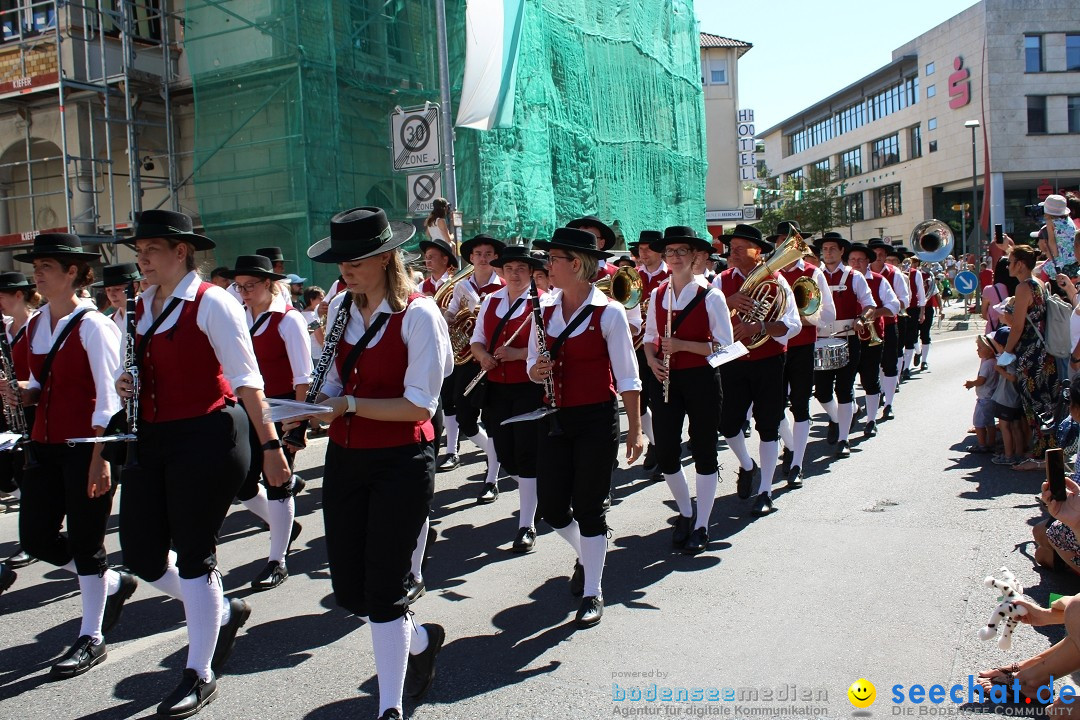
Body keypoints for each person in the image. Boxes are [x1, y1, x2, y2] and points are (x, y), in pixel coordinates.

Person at [115, 210, 291, 717]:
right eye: (139, 250)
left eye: (151, 249)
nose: (142, 259)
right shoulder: (140, 306)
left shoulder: (213, 303)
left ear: (180, 252)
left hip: (208, 435)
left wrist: (272, 447)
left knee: (195, 555)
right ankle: (220, 610)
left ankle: (200, 671)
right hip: (152, 436)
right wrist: (129, 384)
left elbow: (247, 379)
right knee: (143, 555)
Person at [300, 206, 451, 720]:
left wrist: (349, 406)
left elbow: (419, 406)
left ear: (387, 257)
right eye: (340, 259)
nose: (345, 268)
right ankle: (420, 641)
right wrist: (316, 404)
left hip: (400, 460)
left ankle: (390, 706)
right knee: (352, 590)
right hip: (346, 458)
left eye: (357, 259)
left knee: (384, 589)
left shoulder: (420, 314)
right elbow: (337, 383)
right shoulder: (339, 306)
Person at [7, 234, 136, 678]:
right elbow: (40, 383)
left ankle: (92, 635)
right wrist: (23, 391)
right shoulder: (38, 322)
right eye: (37, 265)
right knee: (36, 538)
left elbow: (109, 398)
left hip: (88, 448)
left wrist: (102, 457)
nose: (37, 272)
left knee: (86, 544)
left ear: (73, 274)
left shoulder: (94, 326)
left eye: (47, 265)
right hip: (44, 446)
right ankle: (110, 583)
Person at [528, 226, 643, 628]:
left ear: (575, 265)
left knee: (591, 507)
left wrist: (636, 430)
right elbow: (531, 366)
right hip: (554, 417)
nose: (547, 266)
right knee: (554, 509)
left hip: (596, 417)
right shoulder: (542, 309)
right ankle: (589, 553)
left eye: (553, 259)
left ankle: (593, 590)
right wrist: (535, 369)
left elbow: (628, 376)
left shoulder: (609, 311)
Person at [641, 227, 732, 553]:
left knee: (705, 451)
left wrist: (684, 345)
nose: (675, 257)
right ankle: (686, 511)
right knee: (666, 452)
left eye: (682, 251)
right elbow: (650, 338)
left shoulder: (711, 295)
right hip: (665, 379)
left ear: (695, 256)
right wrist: (652, 361)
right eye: (671, 252)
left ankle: (703, 525)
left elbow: (727, 348)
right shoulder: (657, 294)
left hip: (702, 380)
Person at [224, 255, 312, 590]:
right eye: (239, 286)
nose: (243, 292)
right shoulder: (240, 318)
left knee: (278, 483)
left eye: (250, 286)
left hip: (281, 409)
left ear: (267, 284)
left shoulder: (288, 321)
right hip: (247, 410)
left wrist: (299, 421)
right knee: (243, 483)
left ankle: (278, 560)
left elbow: (303, 376)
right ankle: (284, 525)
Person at [714, 224, 800, 515]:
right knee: (727, 424)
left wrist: (759, 325)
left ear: (758, 251)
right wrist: (727, 302)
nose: (732, 251)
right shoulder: (721, 280)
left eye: (739, 247)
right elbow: (707, 322)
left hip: (768, 361)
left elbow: (793, 325)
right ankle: (747, 466)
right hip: (732, 361)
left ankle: (765, 491)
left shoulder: (778, 282)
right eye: (731, 247)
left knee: (768, 427)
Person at [470, 245, 546, 548]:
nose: (515, 274)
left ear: (530, 273)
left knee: (527, 455)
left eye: (521, 269)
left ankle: (526, 526)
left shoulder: (543, 303)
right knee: (505, 456)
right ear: (502, 271)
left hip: (529, 388)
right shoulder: (490, 302)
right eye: (510, 269)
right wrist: (483, 356)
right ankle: (538, 494)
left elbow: (547, 347)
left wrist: (516, 353)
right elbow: (477, 340)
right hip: (497, 389)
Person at [439, 234, 504, 487]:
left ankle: (491, 479)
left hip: (495, 358)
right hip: (467, 358)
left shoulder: (502, 285)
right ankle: (494, 452)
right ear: (471, 258)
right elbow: (452, 313)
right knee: (465, 416)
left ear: (495, 257)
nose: (483, 258)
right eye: (478, 254)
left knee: (492, 419)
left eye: (488, 254)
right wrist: (449, 318)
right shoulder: (462, 286)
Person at [777, 221, 836, 485]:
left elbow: (829, 315)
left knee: (800, 405)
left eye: (789, 242)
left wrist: (801, 316)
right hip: (774, 347)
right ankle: (790, 447)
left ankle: (798, 464)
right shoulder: (768, 273)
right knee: (773, 408)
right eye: (780, 242)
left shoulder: (814, 273)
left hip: (802, 346)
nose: (784, 247)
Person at [813, 232, 876, 458]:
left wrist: (862, 319)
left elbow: (869, 305)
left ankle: (843, 439)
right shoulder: (814, 276)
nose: (827, 252)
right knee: (821, 392)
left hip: (848, 339)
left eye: (832, 248)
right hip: (819, 339)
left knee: (844, 389)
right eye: (825, 248)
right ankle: (839, 418)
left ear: (842, 252)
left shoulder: (854, 277)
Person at [998, 245, 1059, 470]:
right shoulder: (1040, 284)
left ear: (1020, 264)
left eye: (1010, 261)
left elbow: (1018, 326)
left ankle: (1045, 453)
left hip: (1030, 353)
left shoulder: (1024, 288)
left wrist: (1007, 352)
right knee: (1046, 401)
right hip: (1045, 350)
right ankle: (1047, 450)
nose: (1008, 265)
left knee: (1034, 403)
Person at [0, 271, 39, 570]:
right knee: (8, 470)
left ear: (18, 295)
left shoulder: (38, 324)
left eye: (2, 295)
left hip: (35, 409)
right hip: (8, 411)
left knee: (30, 472)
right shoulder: (5, 329)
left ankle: (33, 538)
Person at [847, 243, 899, 438]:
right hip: (847, 338)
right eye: (853, 259)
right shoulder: (843, 280)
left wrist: (872, 314)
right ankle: (851, 409)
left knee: (870, 379)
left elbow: (894, 306)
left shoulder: (878, 280)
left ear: (868, 261)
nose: (856, 263)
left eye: (860, 260)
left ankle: (871, 420)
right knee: (846, 381)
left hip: (871, 338)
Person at [634, 230, 670, 477]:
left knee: (663, 402)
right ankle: (656, 443)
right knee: (639, 400)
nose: (643, 253)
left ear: (660, 251)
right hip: (638, 346)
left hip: (666, 346)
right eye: (640, 249)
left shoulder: (672, 274)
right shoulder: (632, 276)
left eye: (648, 248)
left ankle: (666, 449)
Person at [870, 240, 909, 419]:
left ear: (886, 256)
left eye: (881, 254)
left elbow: (904, 301)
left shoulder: (895, 274)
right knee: (873, 364)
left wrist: (886, 308)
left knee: (890, 363)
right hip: (867, 327)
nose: (878, 257)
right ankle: (878, 393)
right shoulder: (860, 274)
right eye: (875, 253)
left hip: (889, 324)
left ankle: (888, 404)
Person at [965, 336, 999, 453]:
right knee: (990, 422)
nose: (977, 350)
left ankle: (982, 445)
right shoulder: (995, 362)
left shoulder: (986, 364)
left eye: (980, 348)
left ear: (989, 350)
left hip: (984, 398)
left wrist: (971, 383)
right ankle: (991, 443)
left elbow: (981, 380)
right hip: (992, 397)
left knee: (978, 423)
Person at [92, 263, 143, 333]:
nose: (112, 295)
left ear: (134, 287)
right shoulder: (109, 320)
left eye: (117, 289)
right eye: (108, 290)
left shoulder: (146, 313)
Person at [901, 255, 928, 380]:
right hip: (899, 309)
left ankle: (906, 368)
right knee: (900, 339)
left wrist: (922, 312)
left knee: (910, 337)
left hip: (912, 308)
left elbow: (921, 293)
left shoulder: (915, 274)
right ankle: (913, 355)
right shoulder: (896, 273)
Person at [567, 216, 619, 280]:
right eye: (580, 237)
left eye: (591, 237)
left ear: (601, 243)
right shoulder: (565, 271)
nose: (584, 241)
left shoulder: (615, 274)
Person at [982, 258, 1011, 334]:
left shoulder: (989, 290)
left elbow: (984, 314)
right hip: (1013, 332)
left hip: (994, 332)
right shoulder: (1018, 288)